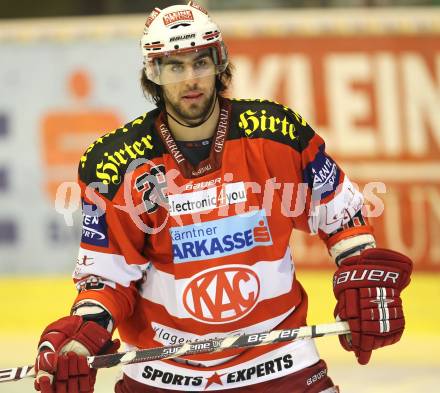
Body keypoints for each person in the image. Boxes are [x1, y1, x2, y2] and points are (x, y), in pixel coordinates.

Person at [33, 2, 413, 392]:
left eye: (201, 62)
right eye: (174, 66)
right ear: (153, 73)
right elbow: (107, 279)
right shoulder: (115, 164)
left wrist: (364, 277)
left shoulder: (277, 133)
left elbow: (342, 216)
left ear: (220, 62)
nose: (190, 78)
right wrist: (81, 338)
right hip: (163, 373)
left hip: (280, 362)